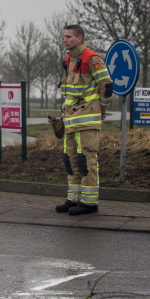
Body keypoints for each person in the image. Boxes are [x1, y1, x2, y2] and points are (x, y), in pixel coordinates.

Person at [55, 25, 113, 215]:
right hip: (71, 120)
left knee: (86, 161)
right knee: (71, 161)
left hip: (86, 121)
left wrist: (101, 109)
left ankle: (89, 203)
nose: (65, 40)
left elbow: (107, 86)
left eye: (69, 36)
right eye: (64, 36)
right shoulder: (69, 59)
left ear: (79, 39)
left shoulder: (92, 58)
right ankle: (74, 199)